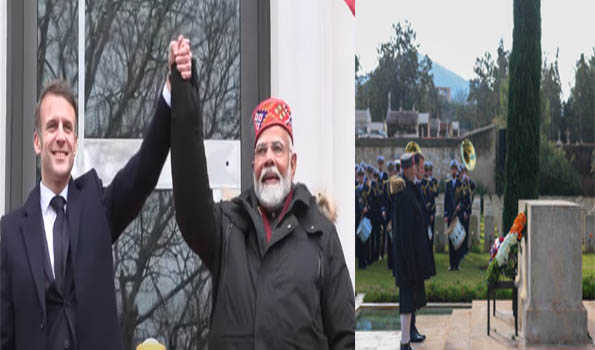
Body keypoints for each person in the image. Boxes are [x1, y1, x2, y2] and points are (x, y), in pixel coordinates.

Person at [0, 37, 188, 350]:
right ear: (37, 142)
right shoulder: (9, 233)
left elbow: (142, 173)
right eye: (52, 127)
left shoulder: (96, 208)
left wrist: (170, 91)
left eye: (67, 127)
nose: (60, 136)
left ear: (75, 143)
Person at [168, 38, 354, 349]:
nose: (269, 158)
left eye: (277, 149)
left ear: (292, 162)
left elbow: (344, 334)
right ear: (253, 164)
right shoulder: (227, 226)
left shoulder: (322, 235)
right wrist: (185, 92)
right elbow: (189, 200)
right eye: (261, 150)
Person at [390, 153, 433, 350]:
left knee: (410, 299)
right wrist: (409, 261)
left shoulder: (409, 190)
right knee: (407, 301)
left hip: (411, 256)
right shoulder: (403, 195)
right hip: (407, 257)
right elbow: (404, 233)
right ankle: (404, 342)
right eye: (415, 167)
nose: (418, 169)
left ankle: (407, 339)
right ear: (407, 168)